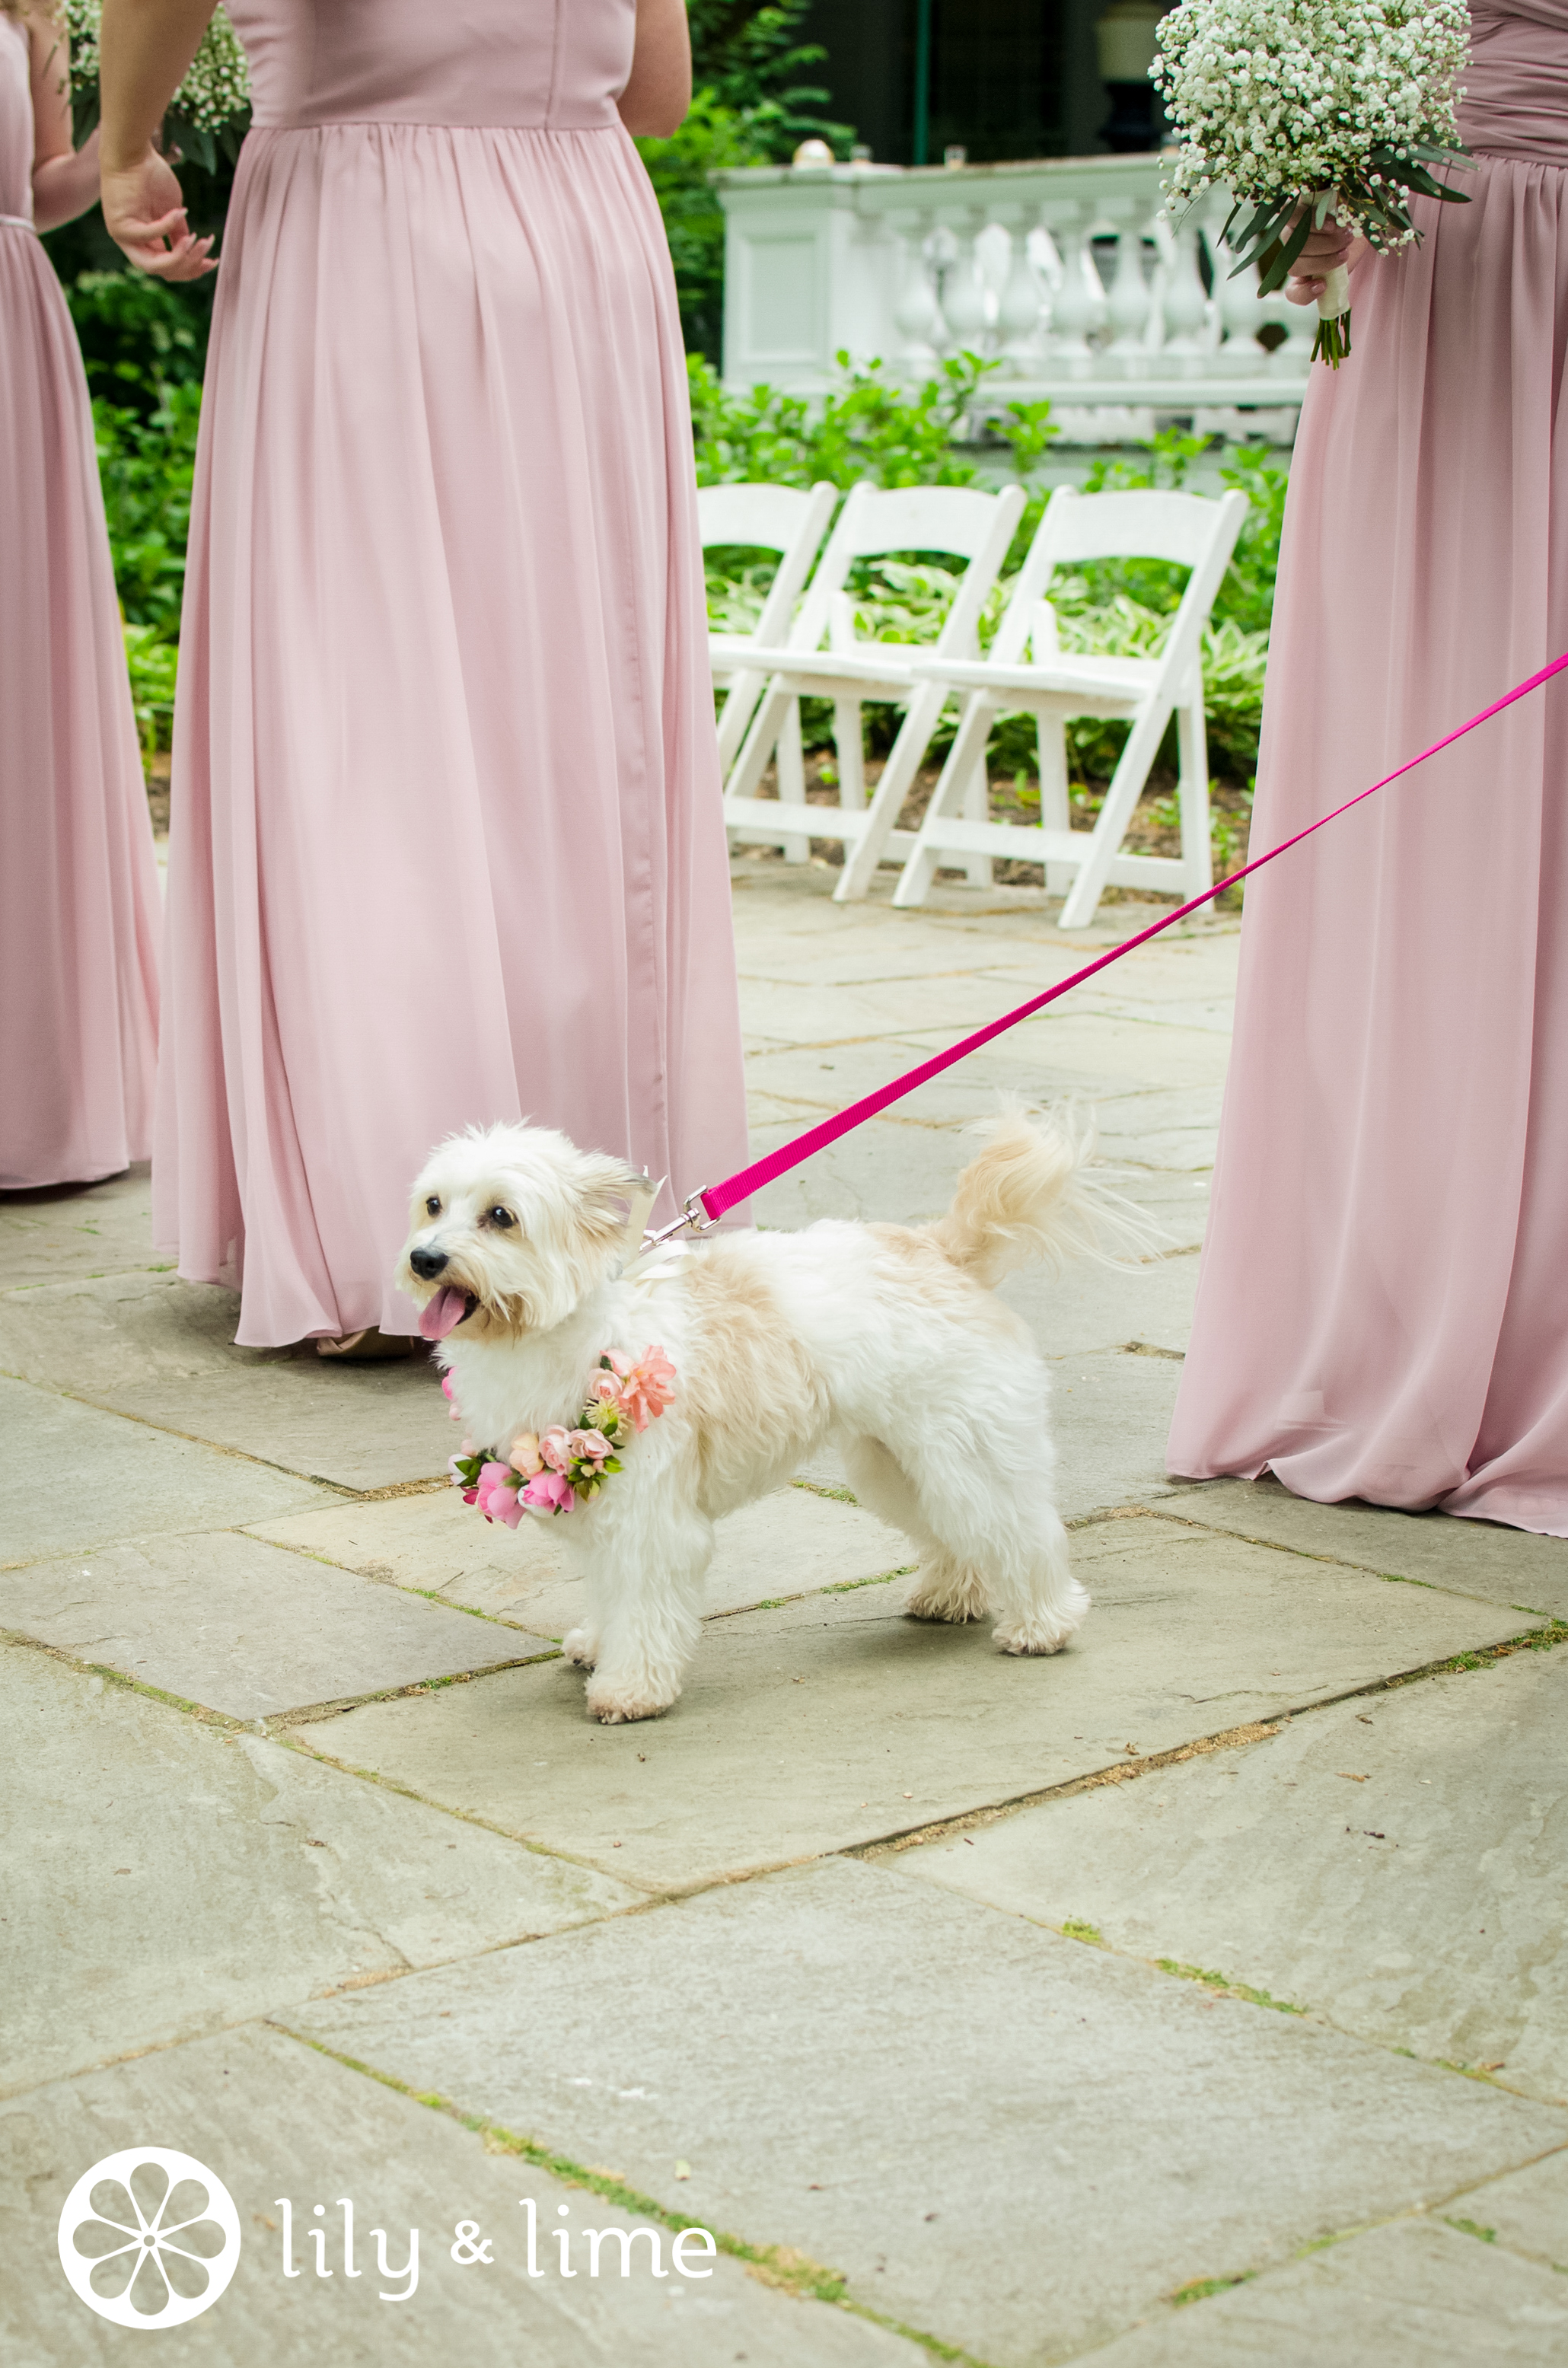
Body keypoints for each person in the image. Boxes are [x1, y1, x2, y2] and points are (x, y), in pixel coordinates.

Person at [97, 0, 750, 1356]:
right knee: (570, 730)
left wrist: (125, 142)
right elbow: (659, 90)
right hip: (581, 248)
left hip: (368, 233)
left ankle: (387, 1230)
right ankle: (572, 1210)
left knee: (368, 715)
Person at [1168, 0, 1568, 1532]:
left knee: (1431, 800)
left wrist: (1321, 187)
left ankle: (1422, 1303)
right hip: (1440, 258)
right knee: (1444, 785)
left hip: (1455, 257)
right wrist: (1319, 174)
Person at [0, 0, 161, 1190]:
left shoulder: (28, 9)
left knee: (21, 700)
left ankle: (33, 1087)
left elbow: (47, 182)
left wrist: (126, 130)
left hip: (9, 327)